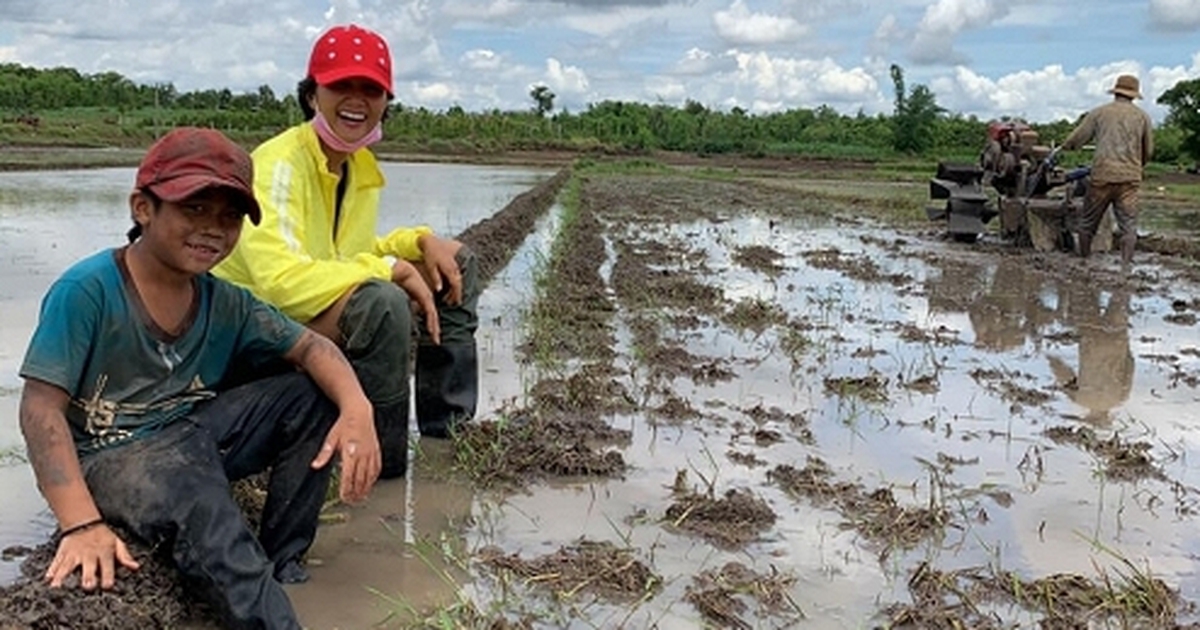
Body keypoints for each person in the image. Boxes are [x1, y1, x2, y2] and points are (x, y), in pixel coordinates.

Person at [18, 127, 381, 629]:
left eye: (230, 216)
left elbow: (313, 347)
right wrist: (81, 523)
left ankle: (284, 560)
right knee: (198, 499)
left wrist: (357, 409)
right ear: (142, 208)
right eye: (195, 208)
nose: (214, 227)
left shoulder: (224, 300)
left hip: (190, 434)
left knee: (310, 395)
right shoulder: (87, 291)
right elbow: (39, 409)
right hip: (111, 455)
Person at [214, 24, 480, 479]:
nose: (357, 100)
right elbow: (280, 282)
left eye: (371, 89)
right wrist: (388, 268)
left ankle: (446, 432)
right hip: (251, 330)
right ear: (313, 94)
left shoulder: (356, 165)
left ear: (385, 103)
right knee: (383, 302)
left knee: (455, 263)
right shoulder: (279, 165)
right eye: (341, 85)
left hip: (303, 310)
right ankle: (380, 465)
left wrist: (416, 243)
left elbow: (345, 253)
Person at [1059, 74, 1154, 263]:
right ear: (1134, 95)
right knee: (1128, 226)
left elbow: (1077, 139)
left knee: (1087, 223)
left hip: (1102, 176)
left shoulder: (1099, 113)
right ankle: (1126, 266)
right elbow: (1149, 150)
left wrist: (1065, 147)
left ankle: (1084, 260)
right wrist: (1137, 165)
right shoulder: (1142, 117)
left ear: (1116, 92)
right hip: (1129, 180)